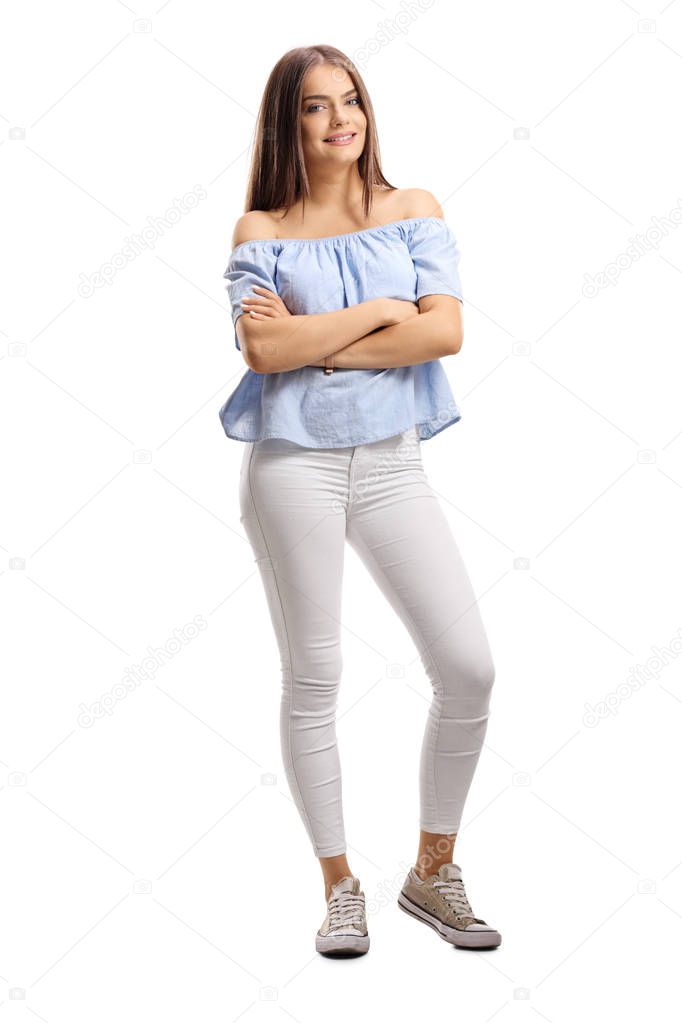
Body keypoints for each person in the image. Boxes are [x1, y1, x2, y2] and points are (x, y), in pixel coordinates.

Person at [219, 43, 501, 957]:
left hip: (391, 465)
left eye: (351, 100)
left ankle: (432, 869)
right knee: (316, 677)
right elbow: (263, 357)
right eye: (315, 106)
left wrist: (319, 341)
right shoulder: (259, 229)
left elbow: (447, 330)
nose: (341, 118)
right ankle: (341, 885)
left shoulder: (412, 209)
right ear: (286, 123)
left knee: (468, 667)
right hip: (290, 467)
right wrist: (387, 315)